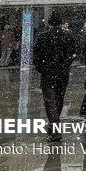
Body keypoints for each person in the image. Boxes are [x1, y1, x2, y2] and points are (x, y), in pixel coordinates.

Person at [33, 10, 76, 142]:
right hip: (62, 73)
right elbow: (72, 55)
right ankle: (53, 125)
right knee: (59, 99)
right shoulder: (68, 36)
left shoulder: (42, 36)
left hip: (48, 73)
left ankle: (55, 129)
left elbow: (36, 57)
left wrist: (42, 68)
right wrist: (64, 66)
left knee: (50, 101)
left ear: (49, 23)